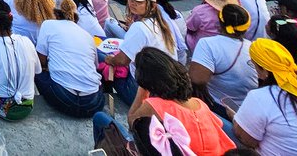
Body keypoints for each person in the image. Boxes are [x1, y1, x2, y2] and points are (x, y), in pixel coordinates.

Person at [93, 49, 235, 156]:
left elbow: (132, 123)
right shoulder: (199, 104)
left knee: (100, 118)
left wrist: (143, 89)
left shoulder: (155, 105)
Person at [34, 0, 105, 118]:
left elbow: (41, 61)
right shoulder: (88, 36)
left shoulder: (48, 25)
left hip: (62, 97)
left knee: (35, 68)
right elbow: (95, 67)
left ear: (55, 13)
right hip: (93, 103)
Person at [189, 3, 257, 116]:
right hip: (247, 109)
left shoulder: (208, 44)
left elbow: (197, 80)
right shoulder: (253, 48)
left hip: (218, 107)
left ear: (220, 23)